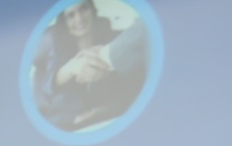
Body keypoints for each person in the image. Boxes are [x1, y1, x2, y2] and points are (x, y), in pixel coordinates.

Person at [31, 0, 148, 131]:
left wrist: (97, 112)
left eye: (83, 9)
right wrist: (73, 67)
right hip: (73, 122)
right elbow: (47, 86)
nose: (79, 19)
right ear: (64, 22)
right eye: (71, 15)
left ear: (92, 9)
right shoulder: (59, 49)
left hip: (110, 114)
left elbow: (132, 84)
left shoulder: (115, 39)